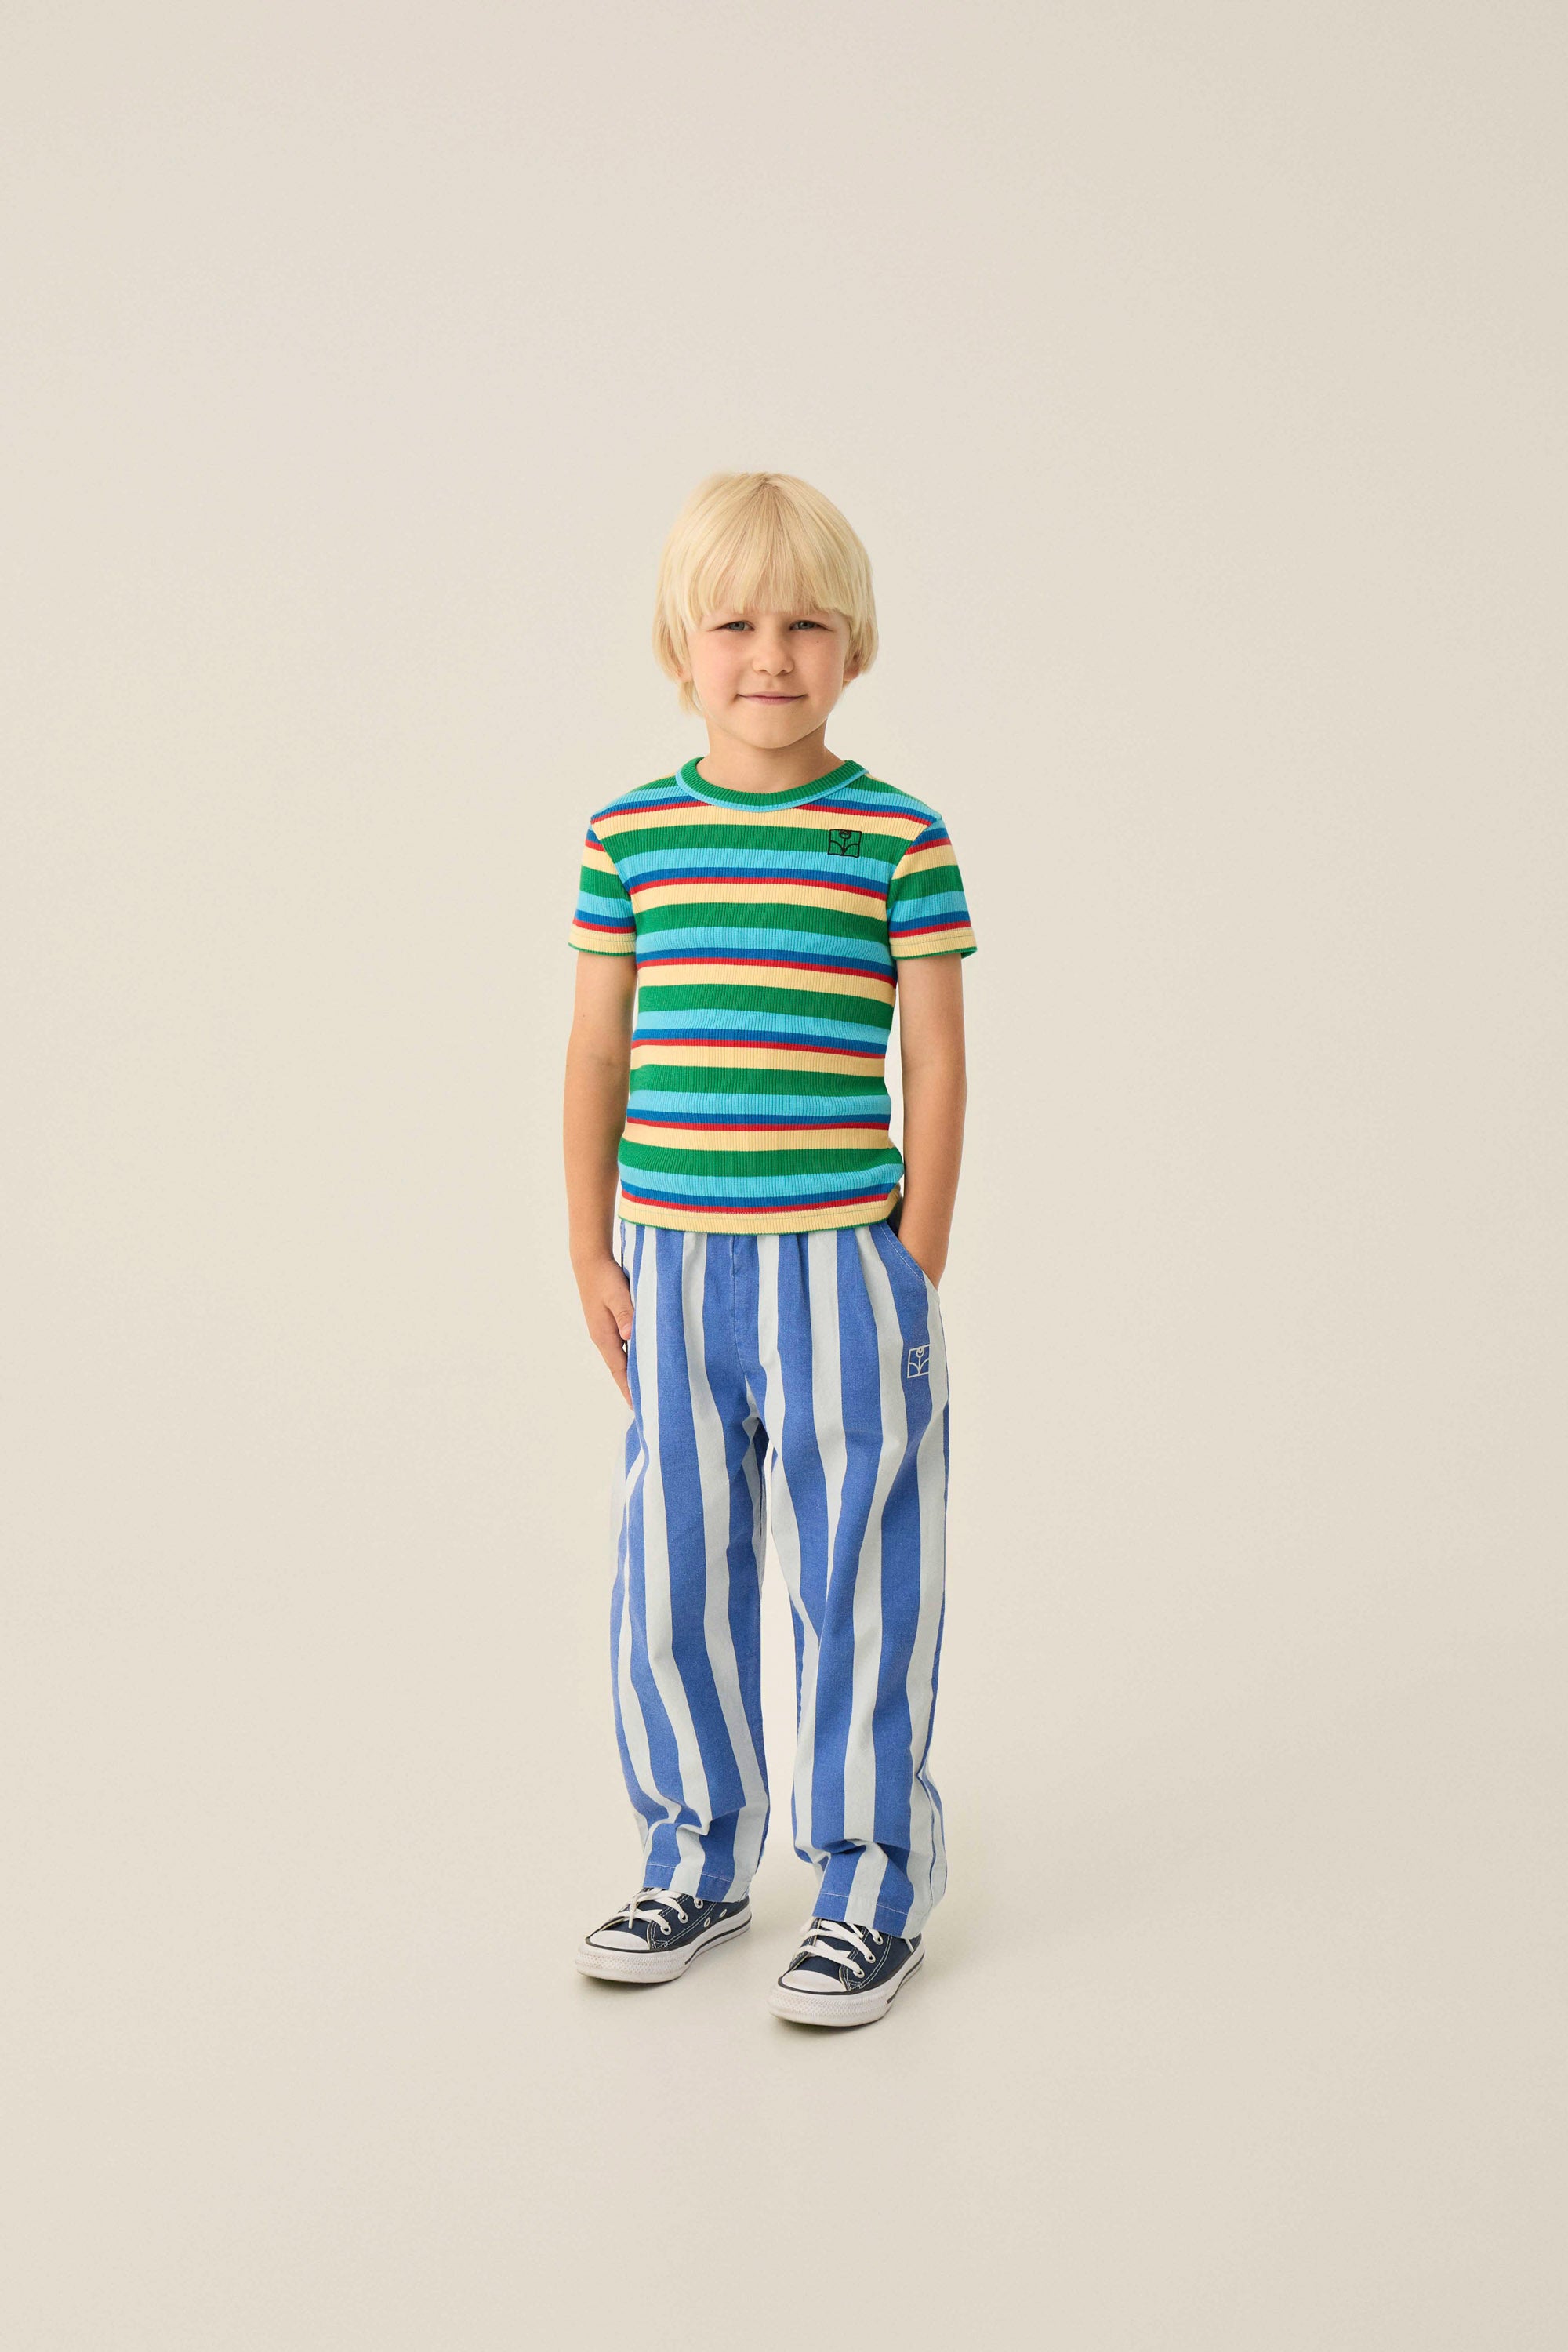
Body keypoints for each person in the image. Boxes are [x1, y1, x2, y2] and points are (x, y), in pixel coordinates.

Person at [562, 470, 977, 2028]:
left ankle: (872, 1881)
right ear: (680, 647)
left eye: (807, 625)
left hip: (842, 1268)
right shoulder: (630, 837)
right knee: (674, 1566)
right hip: (672, 1267)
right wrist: (590, 1249)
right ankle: (694, 1854)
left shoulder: (898, 839)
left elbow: (935, 1056)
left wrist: (912, 1256)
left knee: (861, 1573)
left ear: (853, 645)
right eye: (733, 624)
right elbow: (596, 1052)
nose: (770, 656)